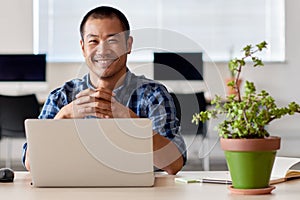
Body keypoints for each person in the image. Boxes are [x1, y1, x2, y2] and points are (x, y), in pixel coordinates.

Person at [22, 6, 186, 175]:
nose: (102, 50)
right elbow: (31, 163)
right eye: (93, 41)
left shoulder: (153, 95)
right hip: (75, 189)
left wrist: (132, 122)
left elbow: (173, 164)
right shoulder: (62, 97)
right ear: (83, 47)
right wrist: (64, 116)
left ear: (128, 45)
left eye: (112, 41)